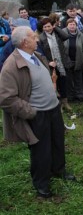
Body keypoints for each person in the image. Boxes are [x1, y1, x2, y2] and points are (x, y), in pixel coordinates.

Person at [0, 26, 75, 198]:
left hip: (53, 109)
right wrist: (31, 112)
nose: (37, 39)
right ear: (25, 42)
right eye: (33, 37)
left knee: (57, 142)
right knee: (41, 150)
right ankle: (41, 183)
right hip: (37, 114)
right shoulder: (11, 66)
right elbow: (6, 98)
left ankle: (59, 170)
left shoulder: (36, 56)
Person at [38, 17, 72, 111]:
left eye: (49, 26)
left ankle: (65, 102)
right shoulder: (41, 38)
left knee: (63, 83)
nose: (47, 29)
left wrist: (55, 27)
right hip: (50, 65)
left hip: (61, 62)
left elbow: (66, 36)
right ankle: (57, 104)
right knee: (54, 85)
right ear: (42, 28)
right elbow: (41, 53)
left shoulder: (57, 34)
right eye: (45, 27)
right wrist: (48, 62)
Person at [63, 18, 83, 101]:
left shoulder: (81, 35)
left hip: (78, 60)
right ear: (67, 25)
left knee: (78, 79)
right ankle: (70, 96)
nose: (72, 26)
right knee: (69, 80)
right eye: (70, 24)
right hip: (67, 61)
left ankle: (80, 95)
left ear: (76, 26)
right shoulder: (63, 34)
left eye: (74, 24)